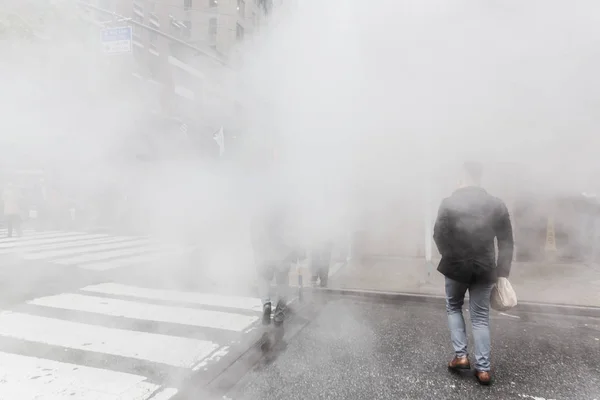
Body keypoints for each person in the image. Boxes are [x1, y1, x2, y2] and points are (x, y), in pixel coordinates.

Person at [433, 162, 514, 386]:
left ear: (463, 176)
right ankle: (484, 369)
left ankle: (460, 356)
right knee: (480, 317)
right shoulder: (496, 204)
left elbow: (439, 235)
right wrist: (502, 272)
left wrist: (450, 256)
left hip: (455, 267)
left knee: (453, 306)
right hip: (486, 268)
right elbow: (506, 241)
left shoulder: (449, 203)